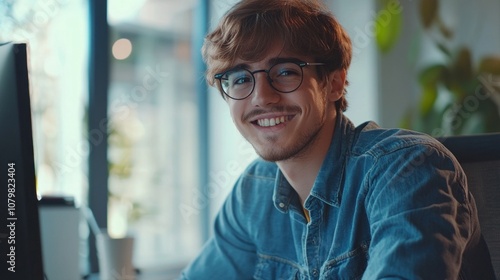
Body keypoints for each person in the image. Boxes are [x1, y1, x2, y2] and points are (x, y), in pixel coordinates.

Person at [180, 0, 495, 279]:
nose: (262, 97)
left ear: (334, 84)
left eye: (286, 72)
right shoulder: (253, 192)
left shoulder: (407, 168)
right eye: (239, 78)